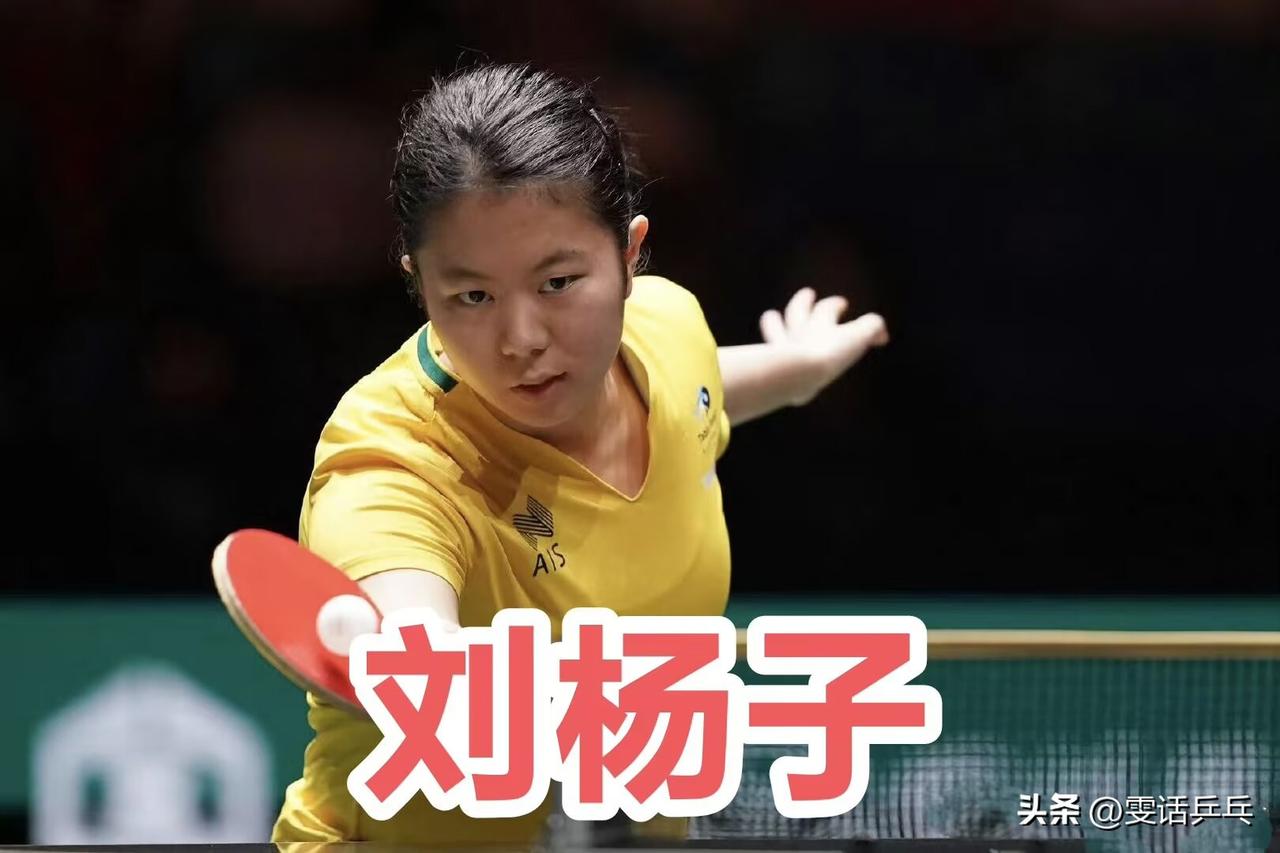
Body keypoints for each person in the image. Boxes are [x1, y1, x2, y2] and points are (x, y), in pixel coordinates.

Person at [272, 62, 889, 846]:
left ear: (631, 255)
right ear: (418, 284)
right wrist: (413, 660)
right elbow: (413, 621)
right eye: (472, 296)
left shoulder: (666, 328)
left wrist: (796, 371)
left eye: (559, 282)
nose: (521, 339)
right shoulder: (392, 460)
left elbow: (697, 392)